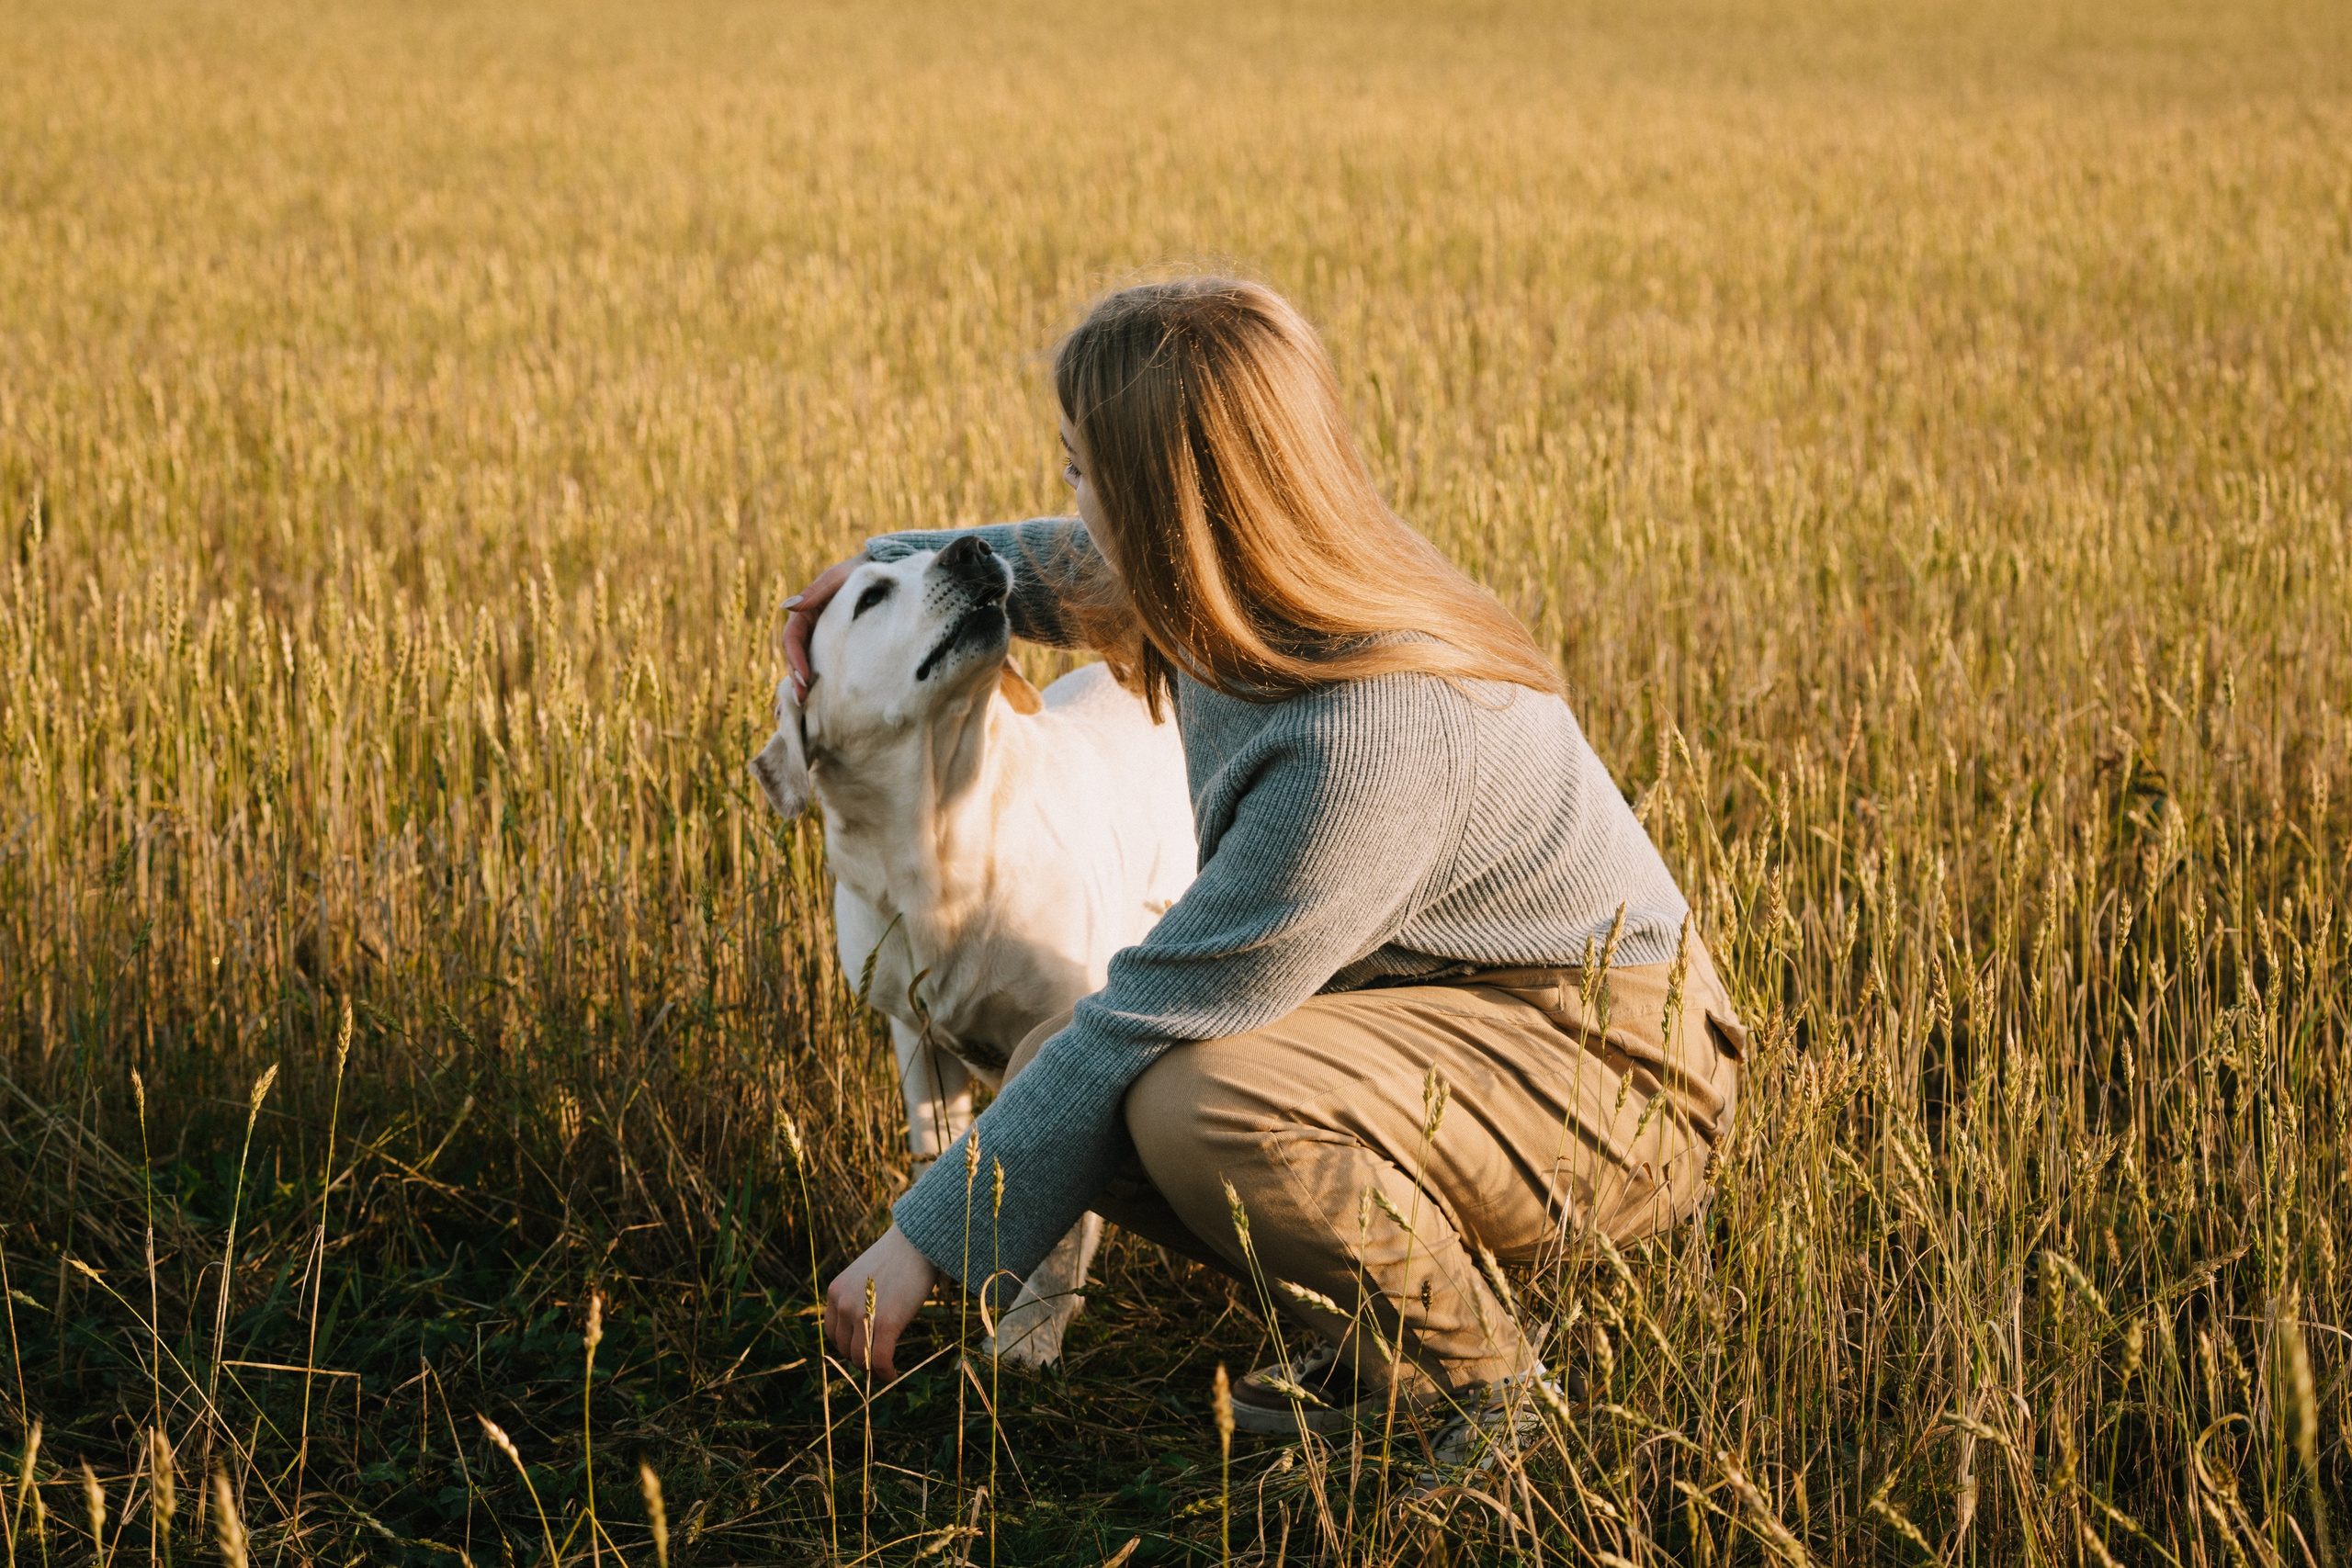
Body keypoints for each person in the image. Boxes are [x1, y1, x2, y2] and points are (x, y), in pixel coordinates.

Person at [784, 276, 1745, 1466]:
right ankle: (1378, 1356)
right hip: (1445, 1018)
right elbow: (1041, 567)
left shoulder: (1363, 742)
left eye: (1086, 471)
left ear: (1167, 501)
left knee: (1198, 1104)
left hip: (1609, 1074)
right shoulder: (1244, 574)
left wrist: (920, 1243)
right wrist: (876, 570)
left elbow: (1143, 1018)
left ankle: (1492, 1394)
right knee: (1077, 1067)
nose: (1072, 504)